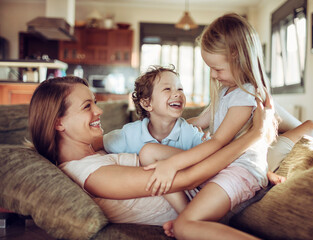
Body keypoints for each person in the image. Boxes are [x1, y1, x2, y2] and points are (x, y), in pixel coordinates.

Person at [28, 75, 271, 237]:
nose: (99, 110)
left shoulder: (97, 149)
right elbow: (189, 179)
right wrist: (254, 135)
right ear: (58, 123)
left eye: (95, 102)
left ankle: (304, 130)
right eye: (87, 106)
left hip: (219, 180)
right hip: (213, 200)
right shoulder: (91, 174)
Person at [141, 13, 278, 240]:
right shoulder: (226, 91)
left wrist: (172, 164)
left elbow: (218, 141)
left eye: (218, 69)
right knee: (149, 152)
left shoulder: (247, 94)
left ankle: (188, 221)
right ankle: (189, 214)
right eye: (210, 69)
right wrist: (161, 124)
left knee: (185, 228)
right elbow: (198, 122)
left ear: (238, 57)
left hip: (240, 170)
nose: (213, 76)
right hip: (221, 164)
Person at [92, 65, 208, 214]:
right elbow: (96, 144)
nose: (177, 94)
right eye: (167, 89)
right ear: (147, 103)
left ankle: (188, 215)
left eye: (180, 89)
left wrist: (206, 139)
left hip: (193, 190)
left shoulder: (189, 133)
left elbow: (210, 156)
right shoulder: (129, 134)